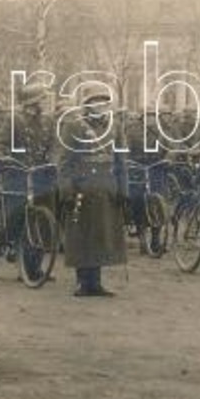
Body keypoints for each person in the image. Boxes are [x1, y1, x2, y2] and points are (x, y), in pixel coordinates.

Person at [58, 91, 128, 297]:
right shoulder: (73, 126)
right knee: (82, 235)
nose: (101, 108)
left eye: (104, 104)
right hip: (82, 186)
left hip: (106, 185)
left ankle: (96, 282)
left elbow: (121, 161)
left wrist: (123, 189)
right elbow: (65, 161)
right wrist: (67, 188)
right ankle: (82, 281)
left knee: (102, 235)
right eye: (96, 104)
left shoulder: (115, 127)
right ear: (87, 106)